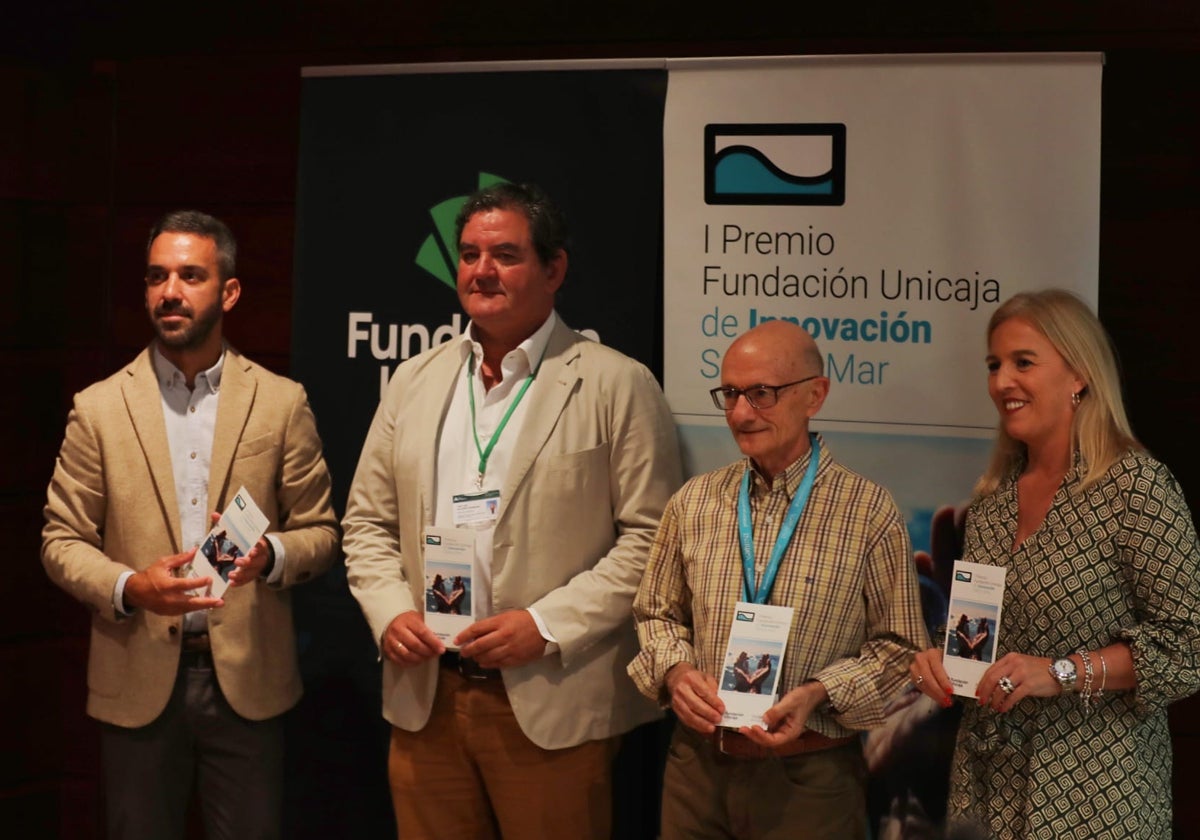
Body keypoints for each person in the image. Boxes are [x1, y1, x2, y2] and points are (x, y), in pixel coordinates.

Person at [341, 182, 682, 839]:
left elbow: (651, 541)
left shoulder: (616, 383)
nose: (481, 271)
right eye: (468, 255)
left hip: (547, 701)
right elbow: (367, 524)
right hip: (424, 694)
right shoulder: (414, 380)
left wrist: (545, 624)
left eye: (505, 254)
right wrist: (390, 612)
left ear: (553, 269)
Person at [41, 210, 340, 839]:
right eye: (156, 276)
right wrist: (130, 588)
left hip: (249, 681)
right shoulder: (98, 409)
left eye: (190, 275)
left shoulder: (281, 403)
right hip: (137, 680)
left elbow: (321, 531)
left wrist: (273, 556)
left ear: (228, 291)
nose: (169, 291)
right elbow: (60, 540)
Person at [910, 289, 1200, 839]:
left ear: (1079, 376)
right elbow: (985, 636)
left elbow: (1188, 646)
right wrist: (943, 660)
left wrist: (1062, 673)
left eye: (1023, 362)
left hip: (1092, 796)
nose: (1002, 382)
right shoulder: (992, 500)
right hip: (987, 784)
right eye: (994, 365)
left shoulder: (1135, 487)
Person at [629, 319, 929, 840]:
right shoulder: (693, 502)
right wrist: (676, 673)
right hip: (697, 770)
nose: (742, 413)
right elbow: (656, 614)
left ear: (815, 395)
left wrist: (818, 692)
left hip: (810, 779)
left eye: (762, 393)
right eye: (731, 394)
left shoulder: (868, 511)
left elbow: (900, 649)